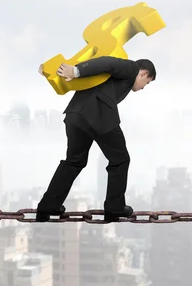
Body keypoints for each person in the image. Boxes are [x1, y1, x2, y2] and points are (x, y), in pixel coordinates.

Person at [36, 56, 156, 222]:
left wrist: (50, 70)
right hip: (99, 115)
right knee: (120, 159)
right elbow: (108, 62)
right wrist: (76, 71)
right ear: (143, 73)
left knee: (74, 161)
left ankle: (47, 206)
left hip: (76, 115)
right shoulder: (131, 69)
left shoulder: (113, 79)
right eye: (147, 83)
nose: (143, 88)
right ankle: (115, 208)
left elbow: (93, 67)